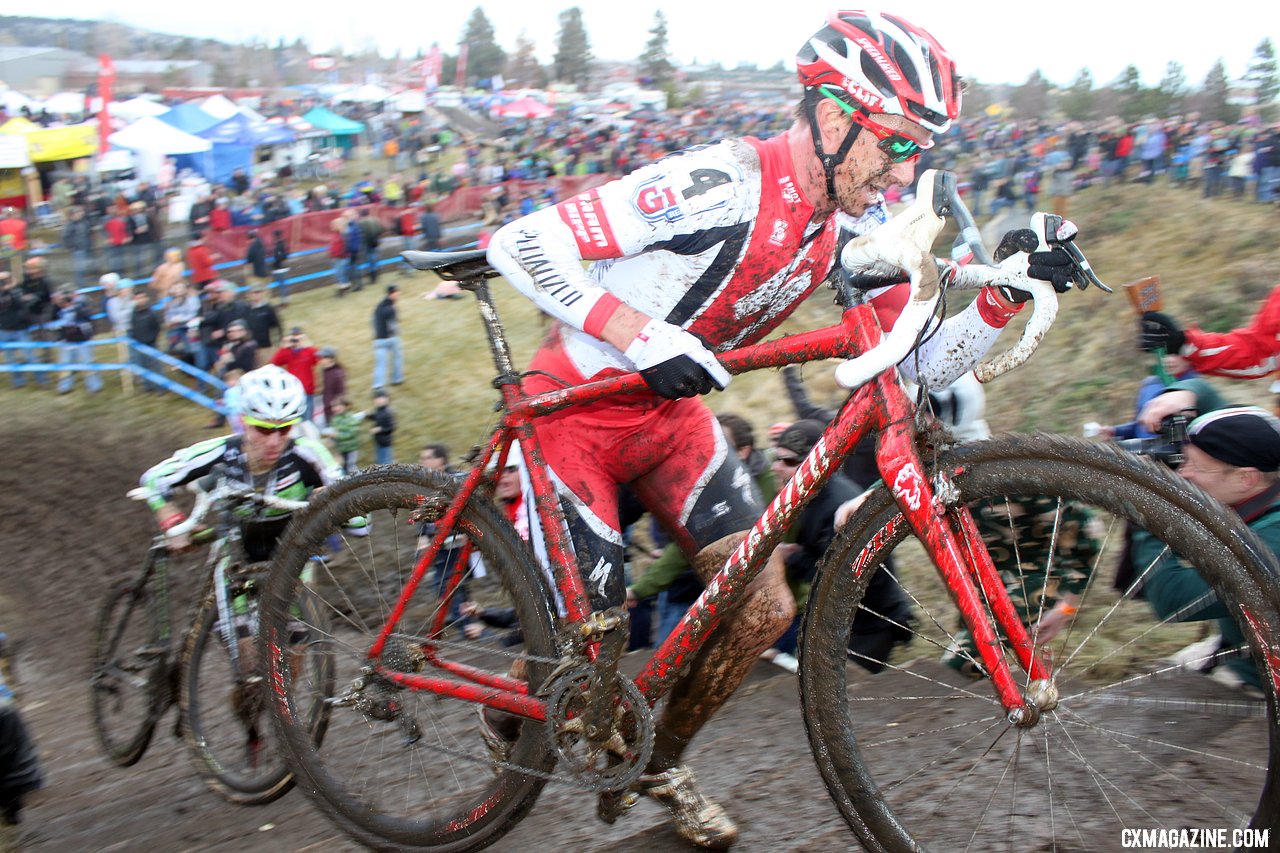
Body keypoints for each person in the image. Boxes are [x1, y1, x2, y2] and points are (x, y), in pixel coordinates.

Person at [481, 12, 1081, 847]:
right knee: (593, 642)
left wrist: (1002, 294)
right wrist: (638, 335)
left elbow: (914, 366)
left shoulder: (841, 223)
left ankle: (660, 761)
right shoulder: (720, 182)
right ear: (835, 118)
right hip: (576, 408)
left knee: (761, 608)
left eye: (921, 151)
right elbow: (523, 241)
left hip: (670, 416)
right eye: (899, 143)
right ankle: (517, 693)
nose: (907, 169)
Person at [1131, 403, 1280, 694]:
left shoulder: (1272, 542)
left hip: (1261, 682)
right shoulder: (1258, 498)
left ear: (1245, 478)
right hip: (1240, 651)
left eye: (1195, 466)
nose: (1183, 473)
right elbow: (1244, 414)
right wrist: (1187, 392)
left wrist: (1148, 514)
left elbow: (1173, 599)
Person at [137, 364, 344, 560]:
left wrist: (335, 505)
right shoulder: (221, 450)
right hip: (237, 548)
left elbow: (362, 523)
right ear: (244, 421)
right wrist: (172, 519)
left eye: (285, 428)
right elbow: (153, 478)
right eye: (263, 429)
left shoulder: (310, 453)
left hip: (291, 550)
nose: (273, 441)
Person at [52, 287, 102, 394]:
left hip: (82, 340)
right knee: (65, 365)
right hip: (67, 341)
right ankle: (64, 387)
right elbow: (53, 319)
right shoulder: (58, 310)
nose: (65, 301)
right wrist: (56, 304)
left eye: (66, 298)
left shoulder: (81, 305)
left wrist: (75, 303)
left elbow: (87, 316)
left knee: (88, 363)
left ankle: (94, 386)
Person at [270, 327, 320, 422]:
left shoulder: (308, 351)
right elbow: (275, 362)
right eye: (293, 337)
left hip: (307, 391)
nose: (295, 340)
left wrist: (306, 343)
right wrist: (283, 346)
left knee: (308, 419)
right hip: (293, 392)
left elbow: (318, 358)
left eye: (297, 337)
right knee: (295, 420)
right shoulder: (287, 352)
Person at [127, 289, 163, 392]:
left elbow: (157, 327)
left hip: (151, 343)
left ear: (146, 299)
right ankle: (148, 386)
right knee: (143, 366)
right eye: (137, 298)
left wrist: (152, 339)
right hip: (139, 344)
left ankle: (159, 387)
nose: (140, 300)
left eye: (142, 297)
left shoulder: (152, 313)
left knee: (155, 366)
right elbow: (133, 326)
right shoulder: (133, 313)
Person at [372, 285, 403, 389]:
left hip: (378, 339)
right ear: (392, 293)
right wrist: (397, 331)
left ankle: (378, 384)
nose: (398, 295)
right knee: (397, 358)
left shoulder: (379, 306)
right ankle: (397, 378)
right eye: (397, 293)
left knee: (381, 364)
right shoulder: (391, 308)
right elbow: (393, 325)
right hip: (390, 338)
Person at [322, 397, 364, 473]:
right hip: (341, 448)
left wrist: (337, 435)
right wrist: (329, 438)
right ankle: (347, 483)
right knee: (343, 466)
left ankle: (359, 480)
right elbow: (333, 431)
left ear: (345, 406)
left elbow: (351, 433)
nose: (335, 408)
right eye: (334, 406)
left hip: (351, 447)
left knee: (351, 465)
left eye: (338, 405)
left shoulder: (351, 418)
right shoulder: (334, 419)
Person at [244, 285, 282, 351]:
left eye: (258, 292)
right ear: (248, 294)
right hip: (251, 346)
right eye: (253, 292)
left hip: (266, 345)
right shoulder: (245, 309)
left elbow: (276, 326)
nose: (255, 294)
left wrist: (276, 343)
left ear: (263, 293)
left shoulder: (269, 308)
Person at [318, 347, 346, 424]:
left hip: (334, 410)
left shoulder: (337, 373)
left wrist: (336, 407)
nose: (320, 359)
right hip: (327, 408)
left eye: (323, 357)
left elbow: (341, 392)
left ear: (330, 359)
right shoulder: (325, 371)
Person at [369, 388, 395, 465]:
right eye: (376, 398)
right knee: (380, 458)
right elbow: (376, 416)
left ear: (387, 399)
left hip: (385, 442)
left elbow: (391, 427)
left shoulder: (388, 413)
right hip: (379, 441)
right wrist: (368, 416)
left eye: (381, 398)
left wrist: (380, 429)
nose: (378, 400)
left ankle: (388, 471)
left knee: (385, 460)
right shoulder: (379, 410)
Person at [270, 229, 290, 305]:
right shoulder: (282, 244)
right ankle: (285, 300)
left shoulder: (278, 245)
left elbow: (279, 257)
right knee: (283, 285)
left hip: (279, 268)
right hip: (282, 267)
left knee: (282, 285)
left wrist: (274, 264)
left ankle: (284, 301)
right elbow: (285, 255)